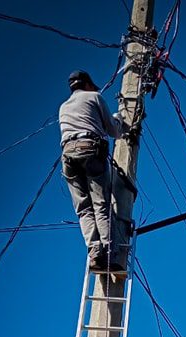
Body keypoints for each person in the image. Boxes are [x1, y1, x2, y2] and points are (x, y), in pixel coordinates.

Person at [59, 70, 127, 272]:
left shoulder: (63, 107)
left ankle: (95, 251)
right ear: (87, 84)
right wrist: (119, 119)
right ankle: (108, 254)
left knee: (84, 208)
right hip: (90, 149)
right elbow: (114, 131)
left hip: (68, 155)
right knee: (100, 204)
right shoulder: (94, 97)